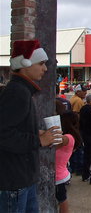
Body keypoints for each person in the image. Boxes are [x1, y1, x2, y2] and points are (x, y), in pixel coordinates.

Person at [0, 39, 62, 212]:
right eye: (41, 63)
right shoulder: (17, 92)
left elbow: (13, 128)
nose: (45, 68)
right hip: (15, 180)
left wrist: (37, 133)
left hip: (22, 178)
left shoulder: (21, 90)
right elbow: (3, 134)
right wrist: (39, 140)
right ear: (26, 63)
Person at [56, 111, 82, 213]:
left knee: (62, 199)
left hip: (58, 175)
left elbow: (51, 141)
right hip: (60, 173)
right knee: (61, 198)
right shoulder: (71, 136)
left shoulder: (67, 137)